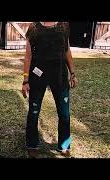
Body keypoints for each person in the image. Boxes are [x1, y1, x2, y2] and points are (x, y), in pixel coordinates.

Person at [22, 22, 78, 158]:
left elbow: (67, 51)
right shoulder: (33, 27)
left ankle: (64, 145)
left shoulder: (64, 26)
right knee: (33, 113)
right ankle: (32, 144)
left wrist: (73, 73)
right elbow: (28, 56)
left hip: (60, 75)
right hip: (37, 76)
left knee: (64, 114)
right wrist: (25, 80)